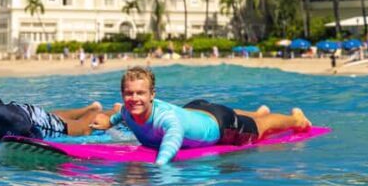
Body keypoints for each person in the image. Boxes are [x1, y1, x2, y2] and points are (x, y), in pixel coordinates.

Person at [90, 67, 312, 165]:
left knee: (259, 127)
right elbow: (120, 115)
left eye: (140, 93)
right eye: (129, 93)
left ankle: (296, 119)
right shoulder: (127, 110)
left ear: (152, 95)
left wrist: (158, 168)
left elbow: (172, 142)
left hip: (221, 125)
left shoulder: (167, 120)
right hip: (193, 108)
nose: (134, 98)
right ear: (123, 94)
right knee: (243, 115)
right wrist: (108, 122)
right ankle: (256, 112)